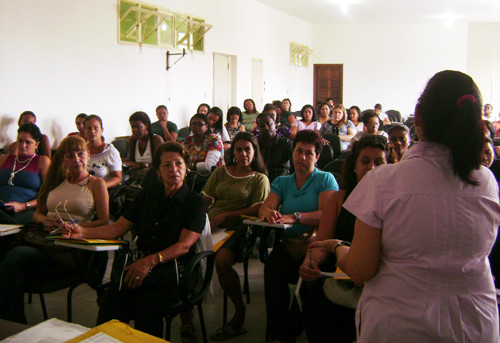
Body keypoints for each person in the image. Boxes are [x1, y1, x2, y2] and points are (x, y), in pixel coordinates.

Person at [312, 70, 500, 343]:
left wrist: (337, 247)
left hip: (401, 321)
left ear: (418, 116)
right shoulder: (485, 181)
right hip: (476, 322)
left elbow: (362, 269)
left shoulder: (383, 181)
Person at [60, 142, 206, 337]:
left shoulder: (194, 202)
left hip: (175, 270)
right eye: (166, 165)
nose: (174, 170)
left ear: (186, 168)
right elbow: (117, 228)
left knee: (146, 307)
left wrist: (149, 261)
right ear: (157, 171)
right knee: (111, 302)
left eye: (179, 164)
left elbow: (184, 245)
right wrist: (82, 233)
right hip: (142, 266)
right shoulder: (147, 196)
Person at [0, 135, 109, 323]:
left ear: (88, 155)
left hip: (70, 247)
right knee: (13, 271)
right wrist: (45, 221)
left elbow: (104, 220)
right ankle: (14, 323)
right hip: (44, 239)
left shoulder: (96, 184)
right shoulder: (55, 181)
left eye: (80, 154)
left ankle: (11, 323)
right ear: (63, 160)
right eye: (69, 156)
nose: (76, 159)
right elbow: (38, 214)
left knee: (16, 256)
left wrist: (77, 227)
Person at [299, 135, 387, 343]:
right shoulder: (338, 199)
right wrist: (310, 261)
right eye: (365, 161)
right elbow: (321, 242)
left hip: (376, 273)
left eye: (379, 162)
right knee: (311, 291)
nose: (371, 167)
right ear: (355, 166)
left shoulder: (393, 202)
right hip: (338, 269)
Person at [258, 130, 339, 343]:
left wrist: (296, 217)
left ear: (317, 157)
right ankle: (278, 332)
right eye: (298, 151)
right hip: (289, 243)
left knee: (308, 281)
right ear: (292, 153)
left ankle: (288, 333)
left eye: (309, 153)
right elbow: (266, 207)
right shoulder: (283, 182)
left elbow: (327, 215)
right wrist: (268, 213)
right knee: (272, 270)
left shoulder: (325, 179)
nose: (302, 157)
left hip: (316, 243)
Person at [205, 132, 270, 340]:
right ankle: (187, 315)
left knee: (222, 261)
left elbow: (256, 210)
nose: (243, 154)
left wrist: (225, 216)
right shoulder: (220, 172)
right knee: (183, 252)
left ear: (254, 152)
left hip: (240, 230)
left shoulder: (259, 179)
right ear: (232, 152)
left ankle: (239, 311)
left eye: (247, 150)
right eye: (239, 150)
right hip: (210, 227)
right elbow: (204, 200)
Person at [0, 123, 50, 224]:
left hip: (27, 210)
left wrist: (24, 206)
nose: (23, 145)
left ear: (37, 144)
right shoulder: (4, 159)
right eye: (20, 141)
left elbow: (48, 194)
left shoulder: (42, 161)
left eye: (28, 142)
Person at [124, 111, 164, 182]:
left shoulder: (156, 140)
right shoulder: (132, 140)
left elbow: (161, 163)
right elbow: (132, 160)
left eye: (138, 127)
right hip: (137, 177)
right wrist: (125, 162)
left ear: (147, 126)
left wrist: (142, 165)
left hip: (154, 178)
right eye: (133, 127)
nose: (134, 130)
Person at [84, 115, 122, 188]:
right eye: (89, 128)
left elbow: (117, 178)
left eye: (96, 128)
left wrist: (101, 187)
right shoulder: (82, 150)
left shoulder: (110, 152)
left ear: (102, 130)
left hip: (105, 190)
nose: (92, 131)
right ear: (84, 131)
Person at [256, 112, 293, 182]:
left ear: (275, 124)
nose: (266, 128)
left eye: (269, 124)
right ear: (258, 128)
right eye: (262, 125)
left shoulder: (286, 144)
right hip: (261, 182)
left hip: (282, 182)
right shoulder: (256, 144)